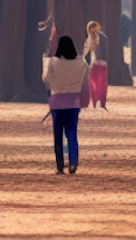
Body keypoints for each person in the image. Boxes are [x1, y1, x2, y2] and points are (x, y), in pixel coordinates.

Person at [43, 36, 88, 174]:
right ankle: (73, 162)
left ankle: (60, 166)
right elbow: (85, 80)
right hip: (74, 102)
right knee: (71, 133)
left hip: (57, 102)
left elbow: (46, 80)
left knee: (58, 135)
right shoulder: (81, 62)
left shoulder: (52, 62)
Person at [84, 21, 109, 109]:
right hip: (103, 63)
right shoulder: (103, 37)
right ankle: (102, 103)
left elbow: (86, 51)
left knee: (93, 83)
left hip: (95, 63)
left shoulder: (91, 38)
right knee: (102, 83)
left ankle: (95, 101)